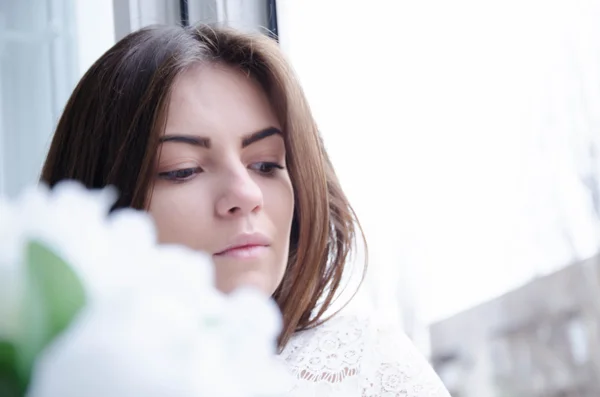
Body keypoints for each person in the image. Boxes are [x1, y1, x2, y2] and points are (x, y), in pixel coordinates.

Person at [41, 24, 451, 397]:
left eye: (266, 165)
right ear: (99, 199)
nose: (246, 193)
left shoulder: (367, 368)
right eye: (182, 170)